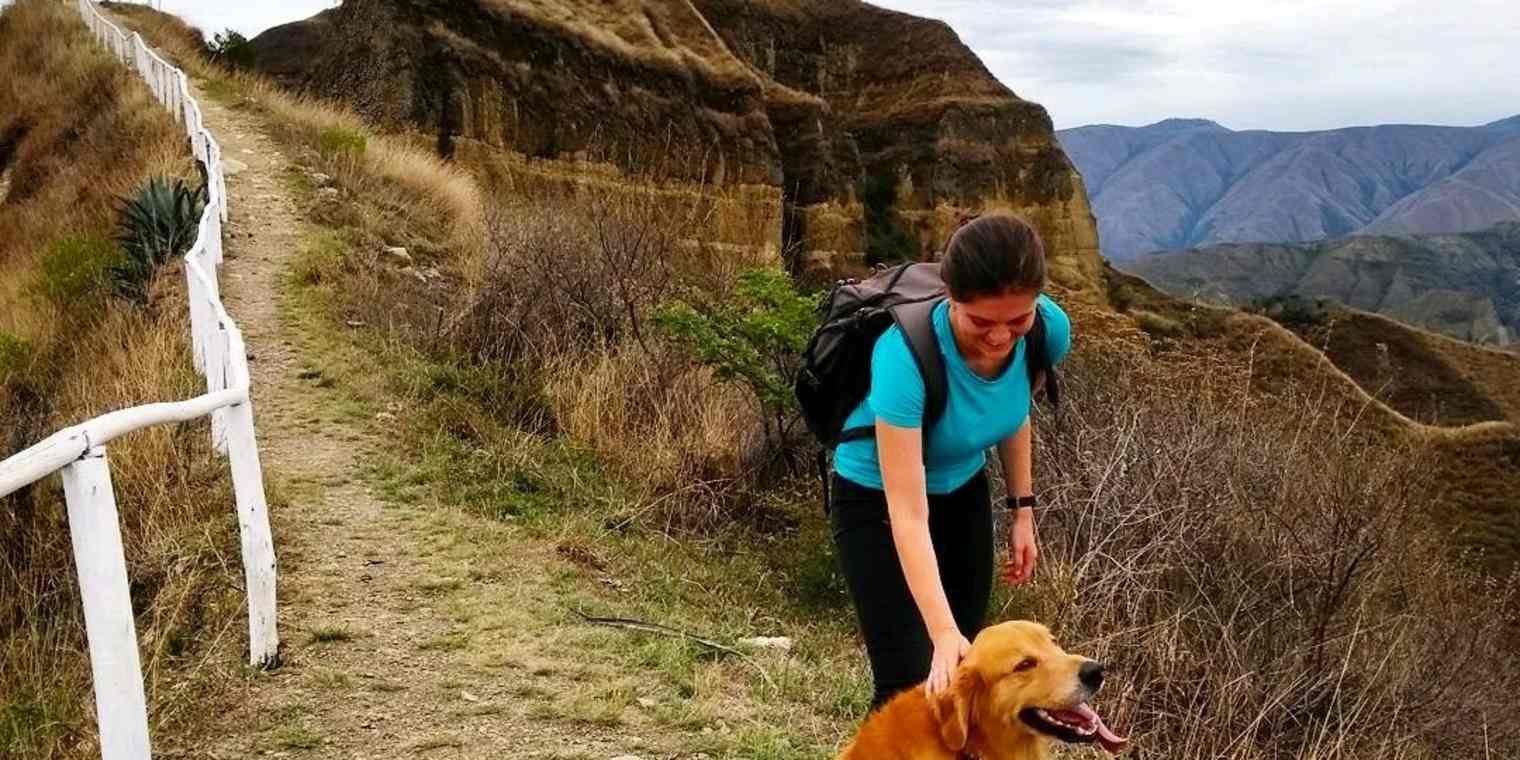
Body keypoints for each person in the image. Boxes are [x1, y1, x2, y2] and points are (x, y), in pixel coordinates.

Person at [829, 213, 1072, 710]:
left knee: (967, 675)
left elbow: (1011, 409)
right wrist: (941, 632)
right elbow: (908, 513)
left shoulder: (1049, 331)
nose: (1001, 337)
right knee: (908, 682)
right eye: (981, 321)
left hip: (961, 488)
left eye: (1017, 320)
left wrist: (1022, 510)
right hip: (876, 497)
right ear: (950, 298)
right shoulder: (904, 355)